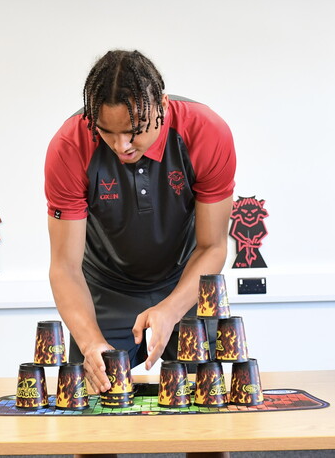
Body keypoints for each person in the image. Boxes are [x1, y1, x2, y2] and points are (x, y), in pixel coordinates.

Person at [45, 50, 236, 395]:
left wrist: (171, 309)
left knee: (204, 404)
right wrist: (90, 342)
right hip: (106, 288)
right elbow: (64, 266)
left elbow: (213, 246)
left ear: (162, 105)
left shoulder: (207, 132)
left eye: (134, 131)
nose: (121, 146)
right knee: (95, 405)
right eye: (106, 132)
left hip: (186, 279)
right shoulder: (69, 146)